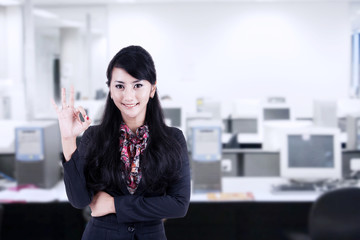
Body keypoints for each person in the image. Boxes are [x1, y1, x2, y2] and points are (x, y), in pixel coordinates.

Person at [52, 45, 191, 240]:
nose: (128, 96)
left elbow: (178, 205)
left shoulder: (173, 139)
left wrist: (113, 205)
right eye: (119, 86)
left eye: (137, 85)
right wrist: (68, 139)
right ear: (109, 89)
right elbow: (79, 200)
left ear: (152, 88)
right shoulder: (94, 137)